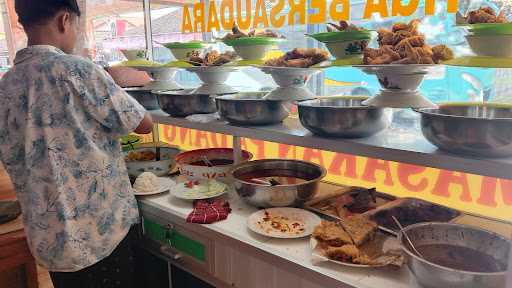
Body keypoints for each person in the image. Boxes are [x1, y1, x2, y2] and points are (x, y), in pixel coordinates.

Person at [0, 1, 153, 287]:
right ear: (64, 20)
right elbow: (143, 125)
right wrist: (117, 80)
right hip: (102, 234)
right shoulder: (79, 70)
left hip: (51, 243)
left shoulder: (6, 85)